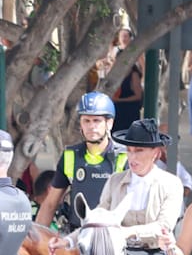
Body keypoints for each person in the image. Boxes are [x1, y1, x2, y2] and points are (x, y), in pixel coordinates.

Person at [85, 119, 192, 255]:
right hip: (113, 252)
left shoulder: (171, 184)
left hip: (154, 253)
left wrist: (128, 232)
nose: (132, 157)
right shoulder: (114, 181)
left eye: (139, 151)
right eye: (129, 151)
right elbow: (99, 215)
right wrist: (68, 240)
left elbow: (164, 226)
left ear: (155, 153)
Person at [38, 92, 128, 228]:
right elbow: (50, 203)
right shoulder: (70, 155)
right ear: (80, 124)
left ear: (109, 123)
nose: (91, 126)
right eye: (87, 121)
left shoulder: (124, 156)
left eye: (97, 121)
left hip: (111, 236)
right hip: (77, 235)